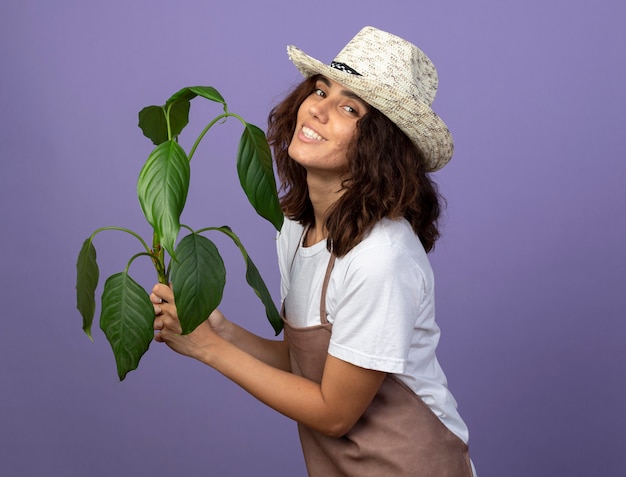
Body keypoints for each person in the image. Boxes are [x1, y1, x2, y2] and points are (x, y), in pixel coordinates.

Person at [152, 26, 476, 476]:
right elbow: (308, 365)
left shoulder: (381, 256)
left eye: (349, 107)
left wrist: (207, 349)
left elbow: (334, 412)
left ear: (380, 145)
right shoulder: (295, 228)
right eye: (320, 90)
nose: (318, 110)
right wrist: (222, 331)